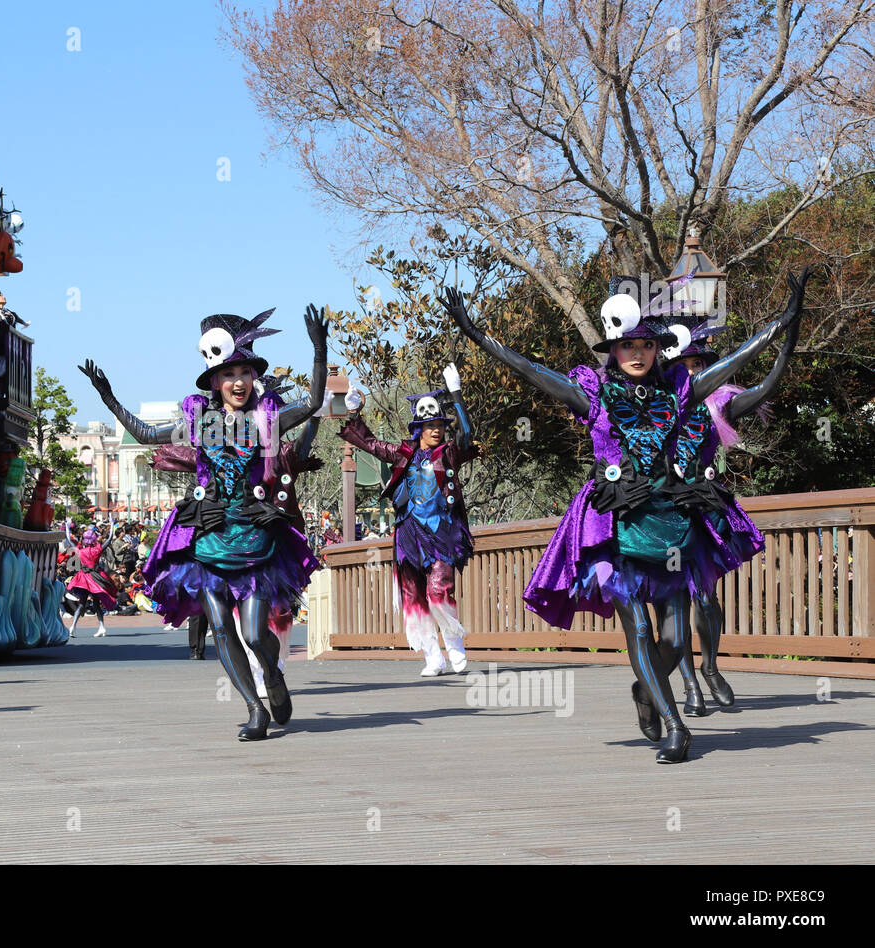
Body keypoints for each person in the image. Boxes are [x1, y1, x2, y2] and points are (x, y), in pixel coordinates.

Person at [445, 272, 807, 764]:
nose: (638, 353)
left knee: (676, 640)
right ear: (613, 350)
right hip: (616, 525)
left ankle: (646, 690)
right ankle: (675, 726)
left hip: (674, 520)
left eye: (646, 345)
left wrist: (780, 326)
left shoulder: (679, 390)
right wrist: (478, 336)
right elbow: (532, 370)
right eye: (627, 345)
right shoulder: (592, 394)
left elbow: (732, 363)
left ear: (657, 349)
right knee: (638, 628)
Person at [80, 303, 327, 740]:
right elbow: (145, 434)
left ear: (254, 378)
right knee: (219, 627)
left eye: (245, 373)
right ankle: (255, 710)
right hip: (210, 534)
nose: (238, 382)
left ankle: (272, 673)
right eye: (229, 374)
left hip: (254, 535)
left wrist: (319, 351)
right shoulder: (201, 423)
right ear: (215, 380)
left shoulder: (265, 420)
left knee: (254, 633)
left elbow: (310, 404)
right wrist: (109, 398)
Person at [662, 276, 808, 713]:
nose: (690, 371)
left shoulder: (717, 403)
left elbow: (764, 388)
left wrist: (786, 338)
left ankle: (709, 667)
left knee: (706, 595)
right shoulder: (648, 406)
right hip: (661, 507)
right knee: (675, 594)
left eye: (696, 363)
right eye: (682, 363)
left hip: (704, 504)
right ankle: (687, 683)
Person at [339, 366, 477, 677]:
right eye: (430, 426)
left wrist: (456, 393)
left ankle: (454, 645)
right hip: (408, 535)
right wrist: (354, 413)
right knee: (413, 595)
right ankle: (432, 656)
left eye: (440, 425)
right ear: (419, 429)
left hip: (441, 532)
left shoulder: (450, 455)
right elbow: (372, 444)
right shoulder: (404, 454)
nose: (436, 430)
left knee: (439, 590)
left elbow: (467, 436)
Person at [63, 522, 119, 638]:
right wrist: (112, 525)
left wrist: (67, 528)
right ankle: (101, 626)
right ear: (94, 539)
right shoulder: (97, 550)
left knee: (82, 604)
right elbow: (109, 540)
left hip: (83, 578)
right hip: (95, 577)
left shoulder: (80, 551)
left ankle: (73, 626)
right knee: (96, 604)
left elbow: (69, 540)